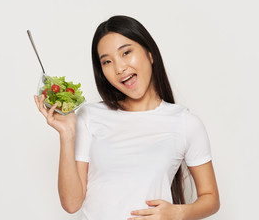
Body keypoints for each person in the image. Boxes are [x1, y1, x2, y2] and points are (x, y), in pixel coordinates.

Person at [34, 15, 220, 219]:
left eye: (126, 52)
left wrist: (176, 213)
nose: (119, 68)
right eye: (107, 61)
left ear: (150, 54)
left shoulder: (185, 123)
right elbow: (71, 204)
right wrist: (67, 133)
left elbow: (210, 198)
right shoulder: (89, 116)